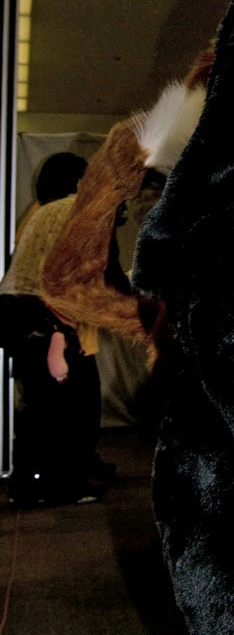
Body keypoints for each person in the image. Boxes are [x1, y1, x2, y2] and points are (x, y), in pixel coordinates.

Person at [0, 152, 106, 505]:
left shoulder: (41, 212)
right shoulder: (70, 211)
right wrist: (59, 334)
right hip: (48, 321)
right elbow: (58, 277)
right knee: (64, 412)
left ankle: (32, 487)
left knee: (43, 410)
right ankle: (60, 486)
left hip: (28, 319)